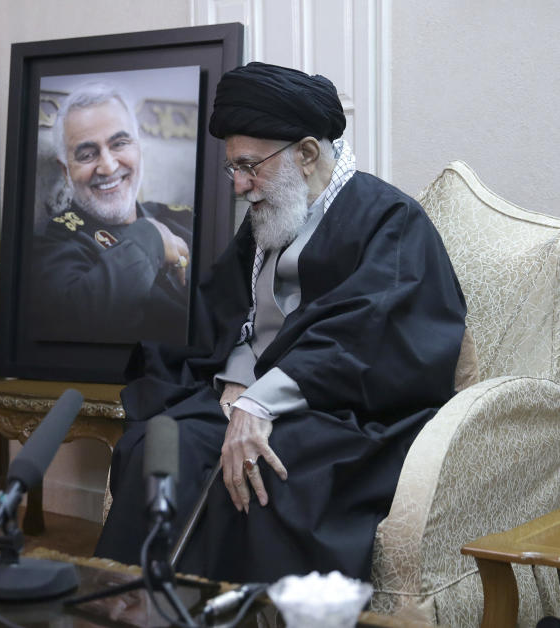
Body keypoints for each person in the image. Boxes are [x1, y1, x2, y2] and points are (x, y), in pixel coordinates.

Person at [94, 62, 467, 584]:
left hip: (346, 413)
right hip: (257, 396)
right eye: (233, 169)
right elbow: (236, 319)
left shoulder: (389, 220)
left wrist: (262, 401)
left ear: (308, 154)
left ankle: (242, 613)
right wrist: (236, 385)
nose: (241, 186)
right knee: (164, 442)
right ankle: (132, 603)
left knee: (266, 469)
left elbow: (368, 337)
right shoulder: (271, 218)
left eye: (250, 166)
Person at [32, 82, 193, 345]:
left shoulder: (181, 218)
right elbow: (81, 322)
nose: (107, 167)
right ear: (65, 171)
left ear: (138, 149)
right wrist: (148, 238)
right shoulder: (55, 244)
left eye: (119, 144)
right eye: (86, 154)